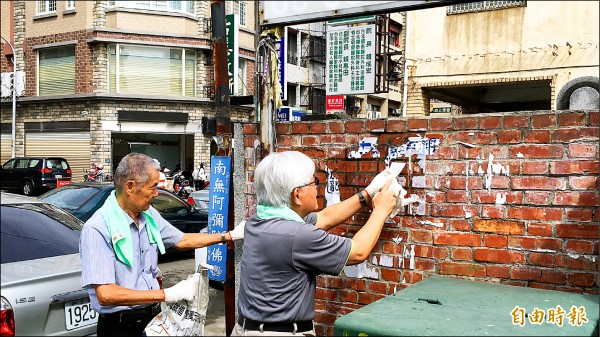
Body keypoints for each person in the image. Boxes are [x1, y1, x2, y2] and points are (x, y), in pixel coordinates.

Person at [233, 151, 398, 336]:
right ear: (297, 194)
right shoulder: (298, 235)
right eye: (313, 183)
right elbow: (358, 252)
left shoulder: (259, 221)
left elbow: (325, 218)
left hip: (247, 329)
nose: (317, 188)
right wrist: (381, 211)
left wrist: (367, 193)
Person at [80, 153, 245, 336]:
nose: (157, 194)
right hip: (121, 327)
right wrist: (167, 294)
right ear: (130, 186)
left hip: (154, 320)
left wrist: (229, 236)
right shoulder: (98, 228)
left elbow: (182, 240)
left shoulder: (148, 216)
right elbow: (106, 294)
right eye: (153, 187)